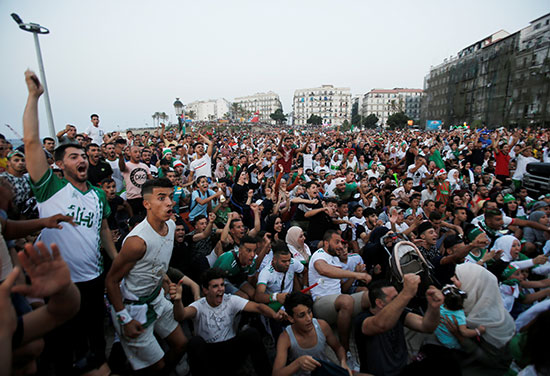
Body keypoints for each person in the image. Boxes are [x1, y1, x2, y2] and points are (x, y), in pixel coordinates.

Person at [22, 70, 117, 375]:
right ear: (60, 165)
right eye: (74, 156)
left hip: (92, 279)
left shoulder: (98, 195)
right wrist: (34, 97)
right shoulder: (50, 188)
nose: (82, 160)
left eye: (83, 156)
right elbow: (31, 142)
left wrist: (115, 259)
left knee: (94, 341)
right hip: (60, 283)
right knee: (61, 346)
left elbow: (103, 229)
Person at [105, 178, 187, 373]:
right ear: (146, 203)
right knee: (155, 366)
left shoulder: (172, 226)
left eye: (170, 196)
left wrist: (164, 279)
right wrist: (124, 318)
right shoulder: (137, 242)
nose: (170, 202)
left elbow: (156, 261)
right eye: (161, 198)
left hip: (156, 298)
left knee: (182, 343)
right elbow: (111, 281)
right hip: (133, 307)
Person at [171, 267, 283, 376]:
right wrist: (177, 301)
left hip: (230, 349)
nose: (220, 289)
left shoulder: (230, 300)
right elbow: (181, 315)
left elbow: (258, 307)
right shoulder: (199, 306)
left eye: (222, 285)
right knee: (194, 342)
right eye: (215, 286)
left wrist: (275, 315)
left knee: (251, 333)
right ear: (205, 290)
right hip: (209, 355)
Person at [354, 275, 444, 376]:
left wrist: (434, 307)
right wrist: (406, 293)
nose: (399, 301)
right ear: (379, 303)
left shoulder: (399, 314)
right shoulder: (362, 320)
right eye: (395, 298)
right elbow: (380, 325)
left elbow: (426, 326)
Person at [308, 230, 371, 367]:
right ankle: (345, 350)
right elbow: (324, 270)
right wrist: (356, 275)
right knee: (346, 300)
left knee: (370, 296)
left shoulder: (336, 259)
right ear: (326, 243)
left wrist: (356, 274)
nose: (340, 246)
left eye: (341, 242)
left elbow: (343, 287)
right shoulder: (319, 255)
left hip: (338, 299)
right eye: (336, 242)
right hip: (321, 303)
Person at [450, 263, 516, 375]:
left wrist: (461, 338)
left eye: (457, 277)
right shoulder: (465, 304)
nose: (451, 279)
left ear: (473, 285)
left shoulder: (497, 322)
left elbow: (491, 361)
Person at [272, 292, 353, 376]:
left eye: (309, 312)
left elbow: (338, 348)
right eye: (302, 315)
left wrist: (343, 362)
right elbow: (276, 373)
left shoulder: (322, 326)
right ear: (291, 319)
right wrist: (298, 363)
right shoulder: (285, 338)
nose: (308, 318)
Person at [118, 145, 153, 216]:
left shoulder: (144, 166)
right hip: (132, 198)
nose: (138, 154)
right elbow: (122, 167)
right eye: (135, 152)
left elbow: (151, 180)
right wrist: (121, 156)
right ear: (130, 153)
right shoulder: (127, 165)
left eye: (139, 152)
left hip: (144, 197)